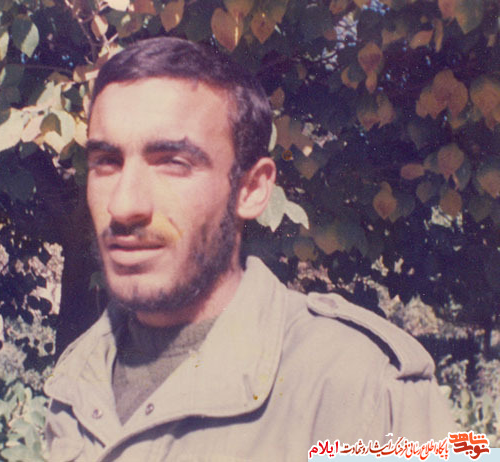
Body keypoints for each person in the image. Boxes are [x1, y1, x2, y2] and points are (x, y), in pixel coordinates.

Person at [44, 37, 455, 461]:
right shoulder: (80, 380)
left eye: (172, 163)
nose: (123, 205)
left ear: (252, 189)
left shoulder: (363, 388)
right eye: (106, 162)